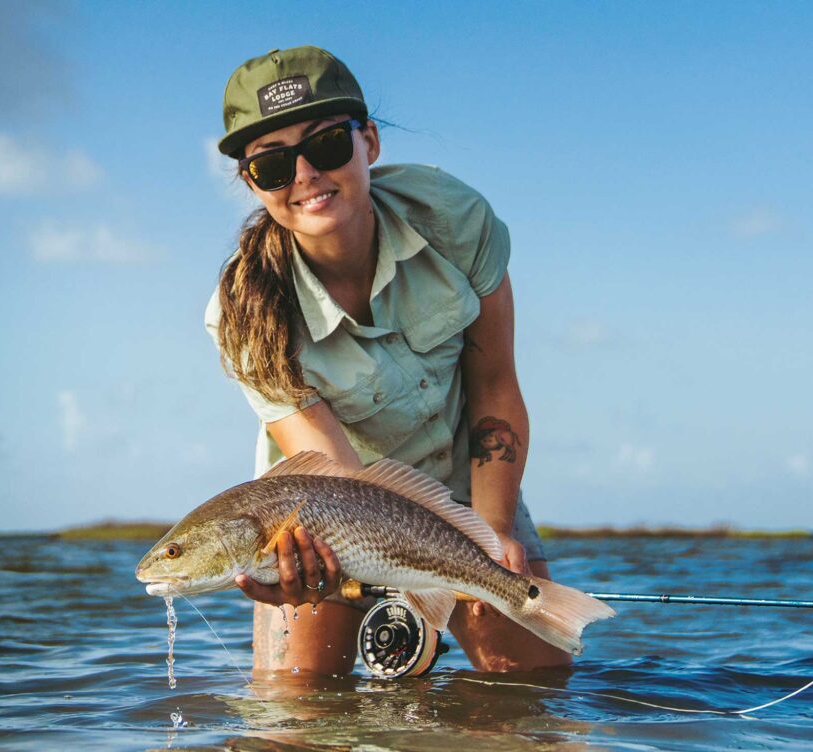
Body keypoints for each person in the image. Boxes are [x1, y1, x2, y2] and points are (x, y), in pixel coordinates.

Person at [205, 46, 570, 673]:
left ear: (368, 142)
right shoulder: (240, 316)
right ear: (250, 182)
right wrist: (386, 575)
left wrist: (490, 536)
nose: (306, 177)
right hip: (321, 513)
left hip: (467, 480)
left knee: (531, 695)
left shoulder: (452, 218)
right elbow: (342, 487)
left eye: (325, 146)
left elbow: (495, 386)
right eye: (271, 165)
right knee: (298, 717)